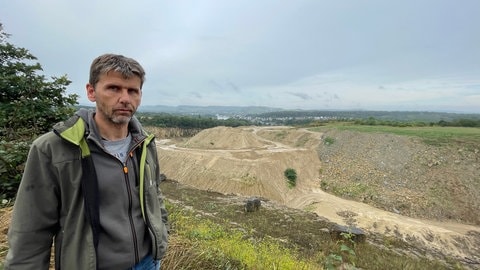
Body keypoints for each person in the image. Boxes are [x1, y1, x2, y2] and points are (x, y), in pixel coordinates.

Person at [5, 54, 169, 270]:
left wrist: (162, 231)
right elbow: (31, 230)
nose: (125, 98)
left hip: (148, 263)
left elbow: (153, 192)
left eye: (132, 91)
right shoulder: (54, 148)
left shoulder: (144, 143)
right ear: (91, 92)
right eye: (113, 88)